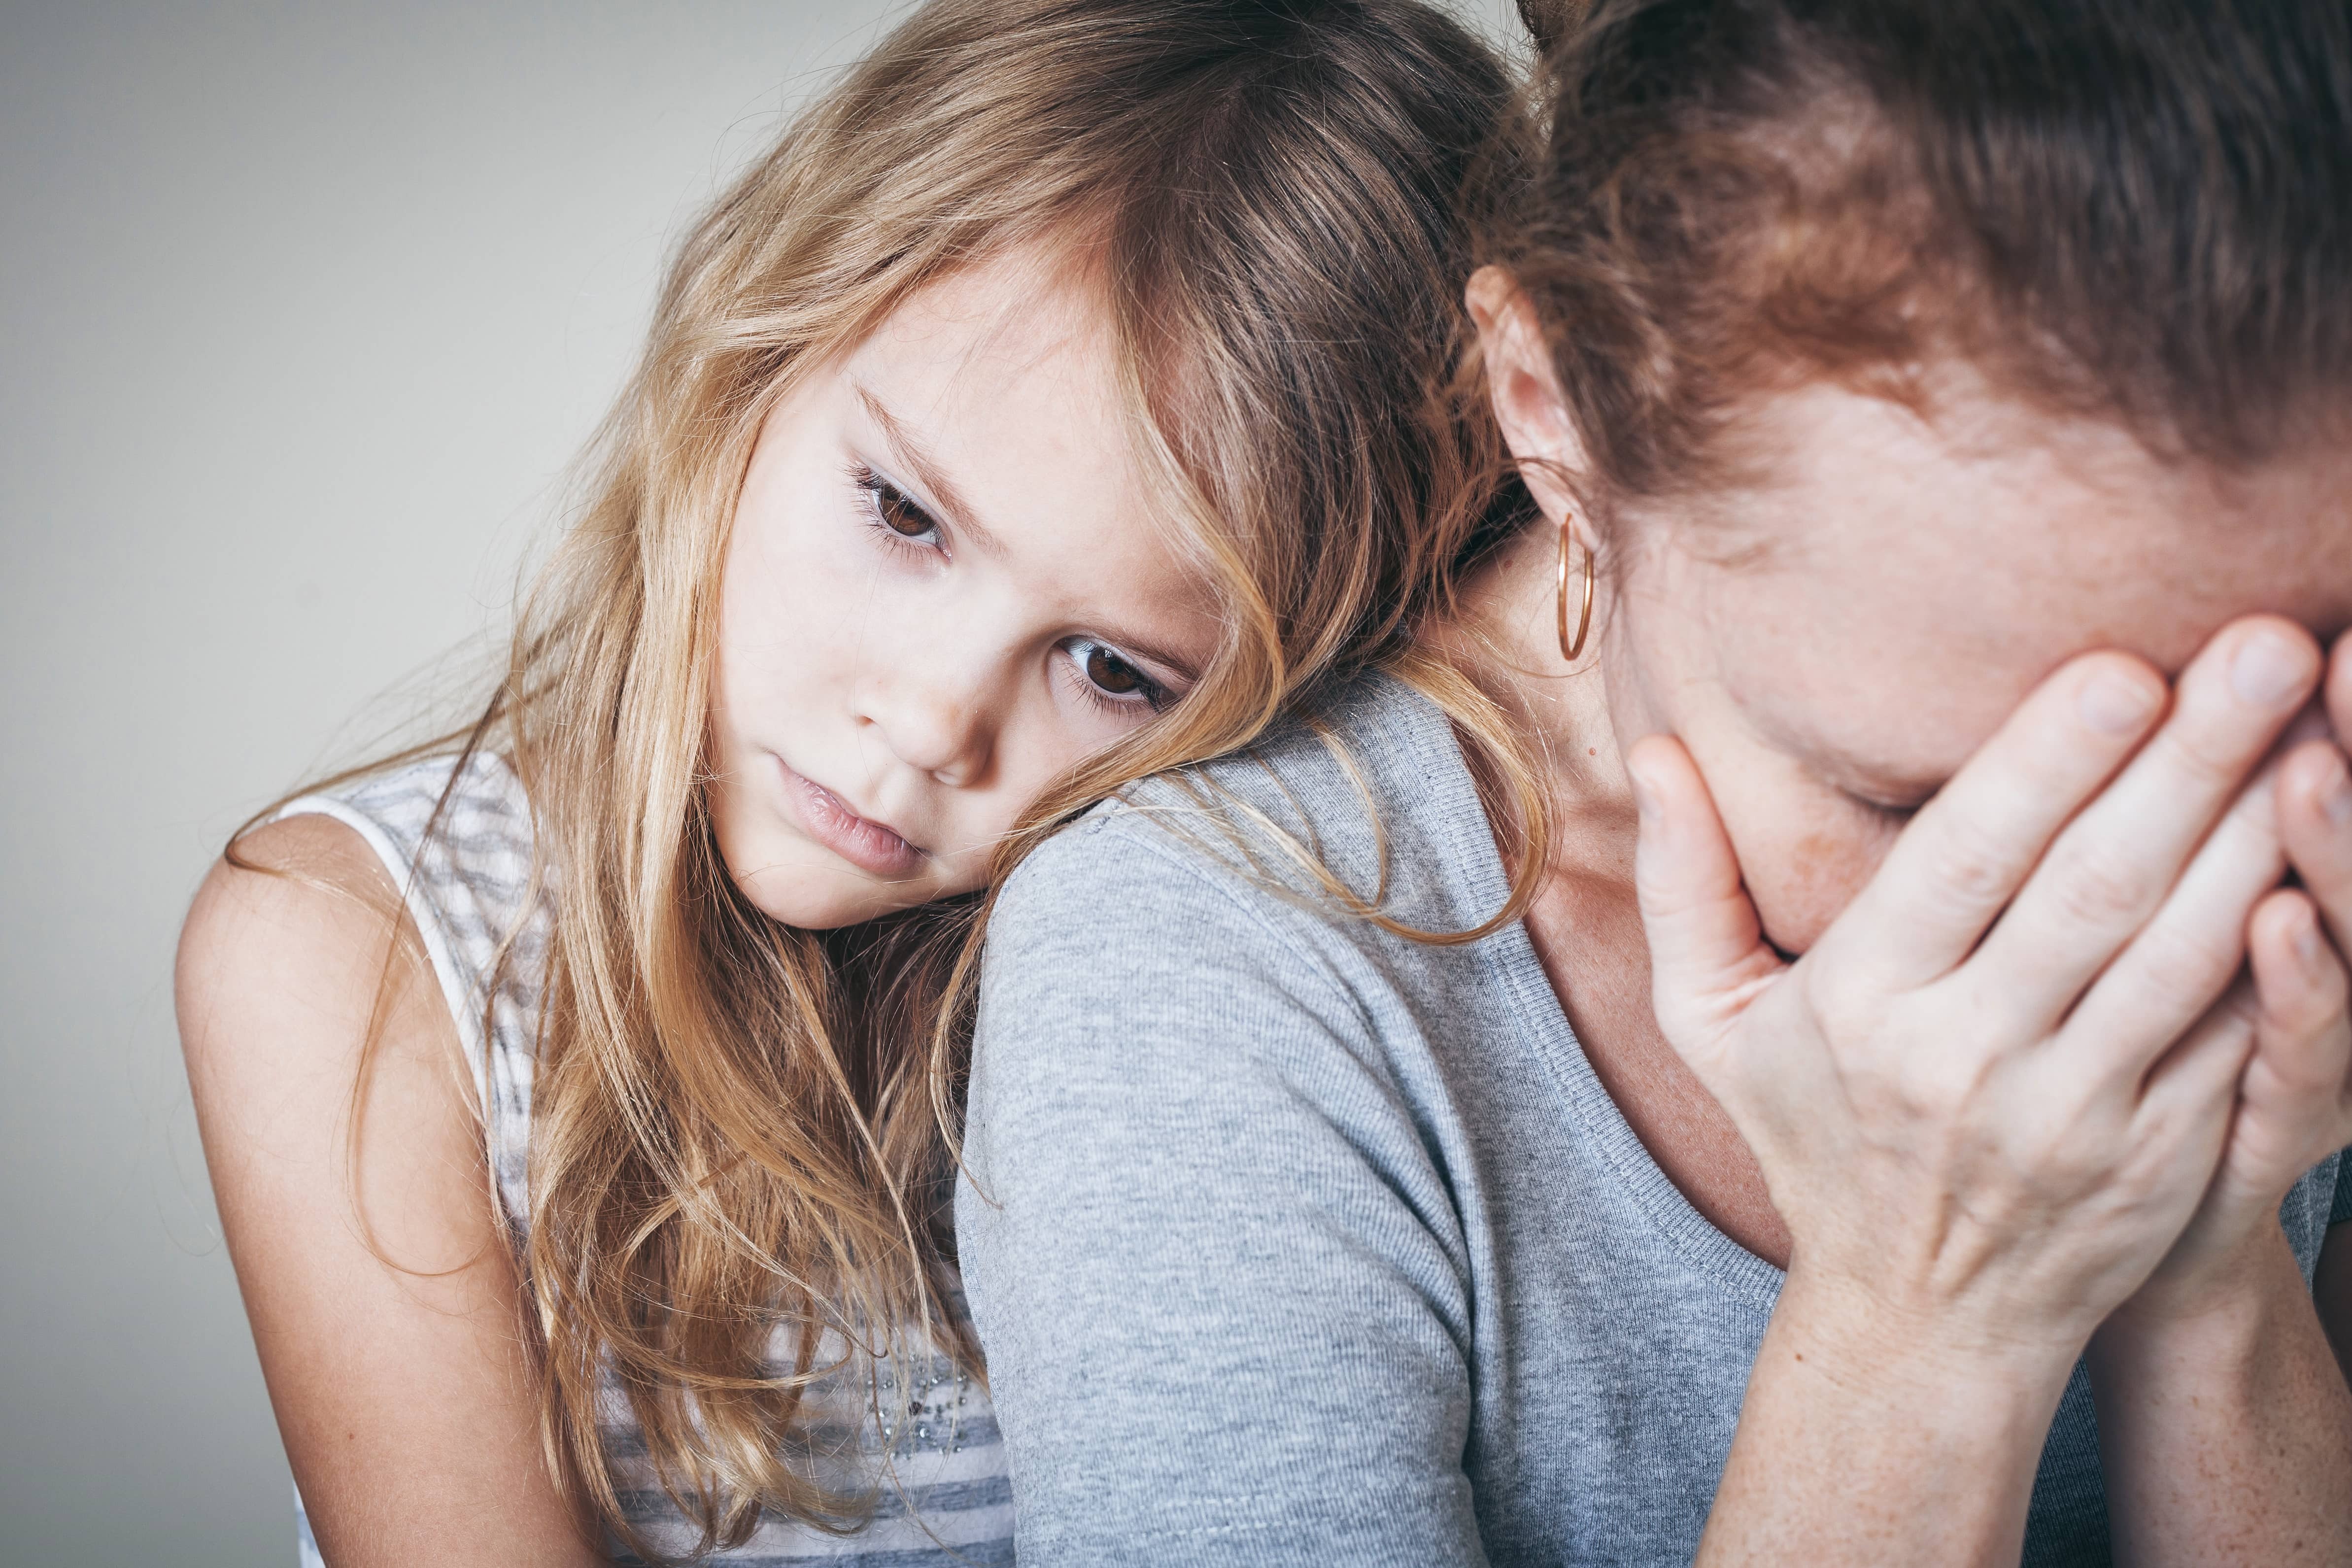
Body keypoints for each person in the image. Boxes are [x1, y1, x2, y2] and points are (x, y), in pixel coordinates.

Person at [956, 0, 2352, 1562]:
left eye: (2231, 779)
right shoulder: (1209, 954)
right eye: (1908, 802)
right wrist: (1919, 1316)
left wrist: (2208, 1260)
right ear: (1555, 419)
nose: (2114, 922)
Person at [172, 2, 1523, 1563]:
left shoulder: (1207, 999)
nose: (936, 721)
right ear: (756, 345)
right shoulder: (352, 956)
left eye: (1113, 670)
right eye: (903, 514)